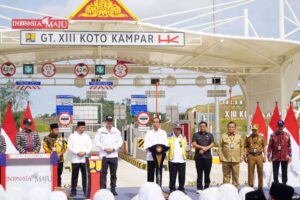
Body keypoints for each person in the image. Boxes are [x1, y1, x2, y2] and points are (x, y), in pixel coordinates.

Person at [95, 115, 123, 196]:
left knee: (113, 174)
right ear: (105, 121)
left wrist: (113, 148)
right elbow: (97, 142)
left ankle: (113, 189)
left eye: (111, 121)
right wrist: (104, 148)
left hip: (114, 155)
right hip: (104, 155)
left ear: (112, 122)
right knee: (103, 174)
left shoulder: (116, 131)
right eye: (108, 121)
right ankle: (103, 189)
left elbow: (120, 142)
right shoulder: (100, 131)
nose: (109, 123)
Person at [68, 121, 92, 197]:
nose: (83, 129)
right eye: (81, 127)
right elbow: (69, 147)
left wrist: (85, 152)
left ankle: (85, 190)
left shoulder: (86, 136)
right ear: (77, 127)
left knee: (85, 176)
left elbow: (90, 146)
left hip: (84, 159)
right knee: (74, 176)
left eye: (84, 127)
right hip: (75, 159)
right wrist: (77, 152)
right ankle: (73, 190)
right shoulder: (72, 136)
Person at [219, 121, 244, 188]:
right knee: (226, 176)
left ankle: (235, 190)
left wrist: (242, 156)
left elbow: (242, 147)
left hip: (236, 159)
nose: (231, 128)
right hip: (225, 159)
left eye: (232, 127)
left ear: (235, 128)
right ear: (227, 127)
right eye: (229, 127)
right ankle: (225, 190)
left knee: (235, 176)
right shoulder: (223, 136)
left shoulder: (239, 136)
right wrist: (220, 156)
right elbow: (220, 146)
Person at [144, 117, 168, 183]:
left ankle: (159, 189)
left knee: (159, 175)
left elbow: (166, 144)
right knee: (150, 175)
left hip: (160, 158)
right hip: (150, 157)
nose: (155, 124)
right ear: (152, 123)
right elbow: (146, 145)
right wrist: (153, 149)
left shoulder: (163, 133)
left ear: (159, 123)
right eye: (154, 122)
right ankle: (150, 190)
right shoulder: (148, 133)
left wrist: (160, 149)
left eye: (157, 122)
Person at [192, 121, 214, 192]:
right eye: (201, 126)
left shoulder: (210, 135)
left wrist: (205, 149)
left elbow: (212, 144)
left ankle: (207, 187)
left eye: (204, 126)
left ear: (206, 127)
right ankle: (199, 188)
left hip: (208, 158)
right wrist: (202, 148)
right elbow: (194, 144)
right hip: (199, 158)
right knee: (199, 173)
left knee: (207, 173)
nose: (202, 127)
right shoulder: (196, 135)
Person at [43, 123, 68, 187]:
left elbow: (65, 147)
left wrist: (60, 153)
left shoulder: (61, 138)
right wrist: (54, 155)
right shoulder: (46, 138)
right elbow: (45, 147)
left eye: (58, 129)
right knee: (51, 175)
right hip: (51, 160)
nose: (57, 131)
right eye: (56, 129)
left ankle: (58, 188)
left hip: (60, 160)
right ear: (51, 130)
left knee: (59, 175)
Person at [267, 120, 292, 185]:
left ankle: (284, 185)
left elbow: (289, 146)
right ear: (277, 126)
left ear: (283, 126)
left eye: (281, 126)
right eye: (279, 126)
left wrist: (290, 156)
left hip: (284, 157)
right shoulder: (272, 135)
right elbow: (270, 146)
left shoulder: (287, 135)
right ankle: (276, 185)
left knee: (284, 172)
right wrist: (268, 155)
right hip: (275, 157)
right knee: (275, 173)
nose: (280, 127)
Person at [244, 124, 266, 191]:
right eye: (253, 130)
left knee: (260, 172)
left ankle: (260, 187)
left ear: (257, 130)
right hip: (251, 156)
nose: (254, 131)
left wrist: (265, 156)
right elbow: (245, 147)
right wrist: (245, 155)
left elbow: (264, 146)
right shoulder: (248, 137)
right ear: (251, 130)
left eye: (255, 130)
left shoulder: (262, 137)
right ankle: (250, 187)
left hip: (259, 155)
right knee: (250, 172)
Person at [167, 122, 187, 193]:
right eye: (177, 129)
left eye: (179, 129)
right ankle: (172, 188)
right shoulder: (169, 137)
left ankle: (181, 188)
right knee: (172, 175)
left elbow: (185, 147)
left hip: (182, 160)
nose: (178, 130)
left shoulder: (183, 137)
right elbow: (166, 147)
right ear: (173, 129)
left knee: (182, 176)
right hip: (173, 160)